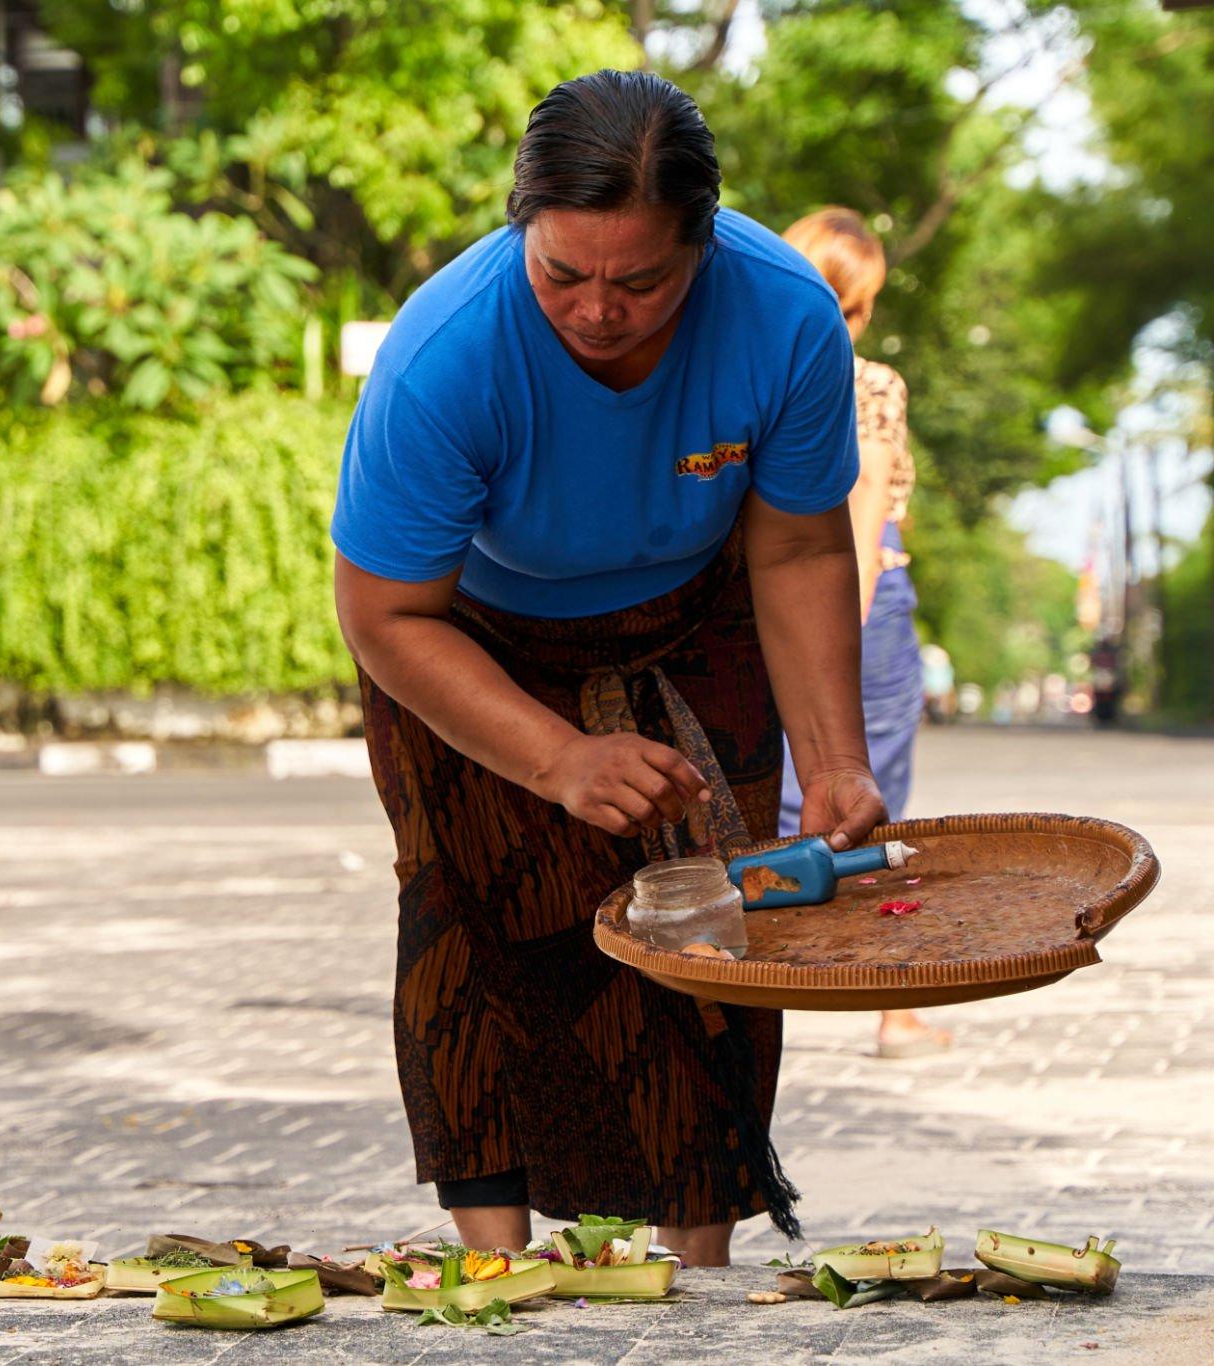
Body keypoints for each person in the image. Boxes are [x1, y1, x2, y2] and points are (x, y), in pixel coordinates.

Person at [332, 69, 883, 1267]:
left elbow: (793, 545)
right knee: (469, 915)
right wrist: (555, 757)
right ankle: (494, 1262)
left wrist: (835, 761)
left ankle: (695, 1264)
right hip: (469, 636)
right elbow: (383, 613)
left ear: (703, 247)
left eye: (638, 281)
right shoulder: (444, 354)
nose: (595, 311)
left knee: (711, 913)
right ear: (520, 226)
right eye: (561, 275)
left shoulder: (784, 316)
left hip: (696, 612)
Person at [776, 208, 947, 1061]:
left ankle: (741, 986)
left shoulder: (755, 372)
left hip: (757, 605)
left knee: (763, 797)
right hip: (859, 605)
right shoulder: (867, 382)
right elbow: (867, 508)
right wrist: (831, 641)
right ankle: (893, 1007)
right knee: (873, 807)